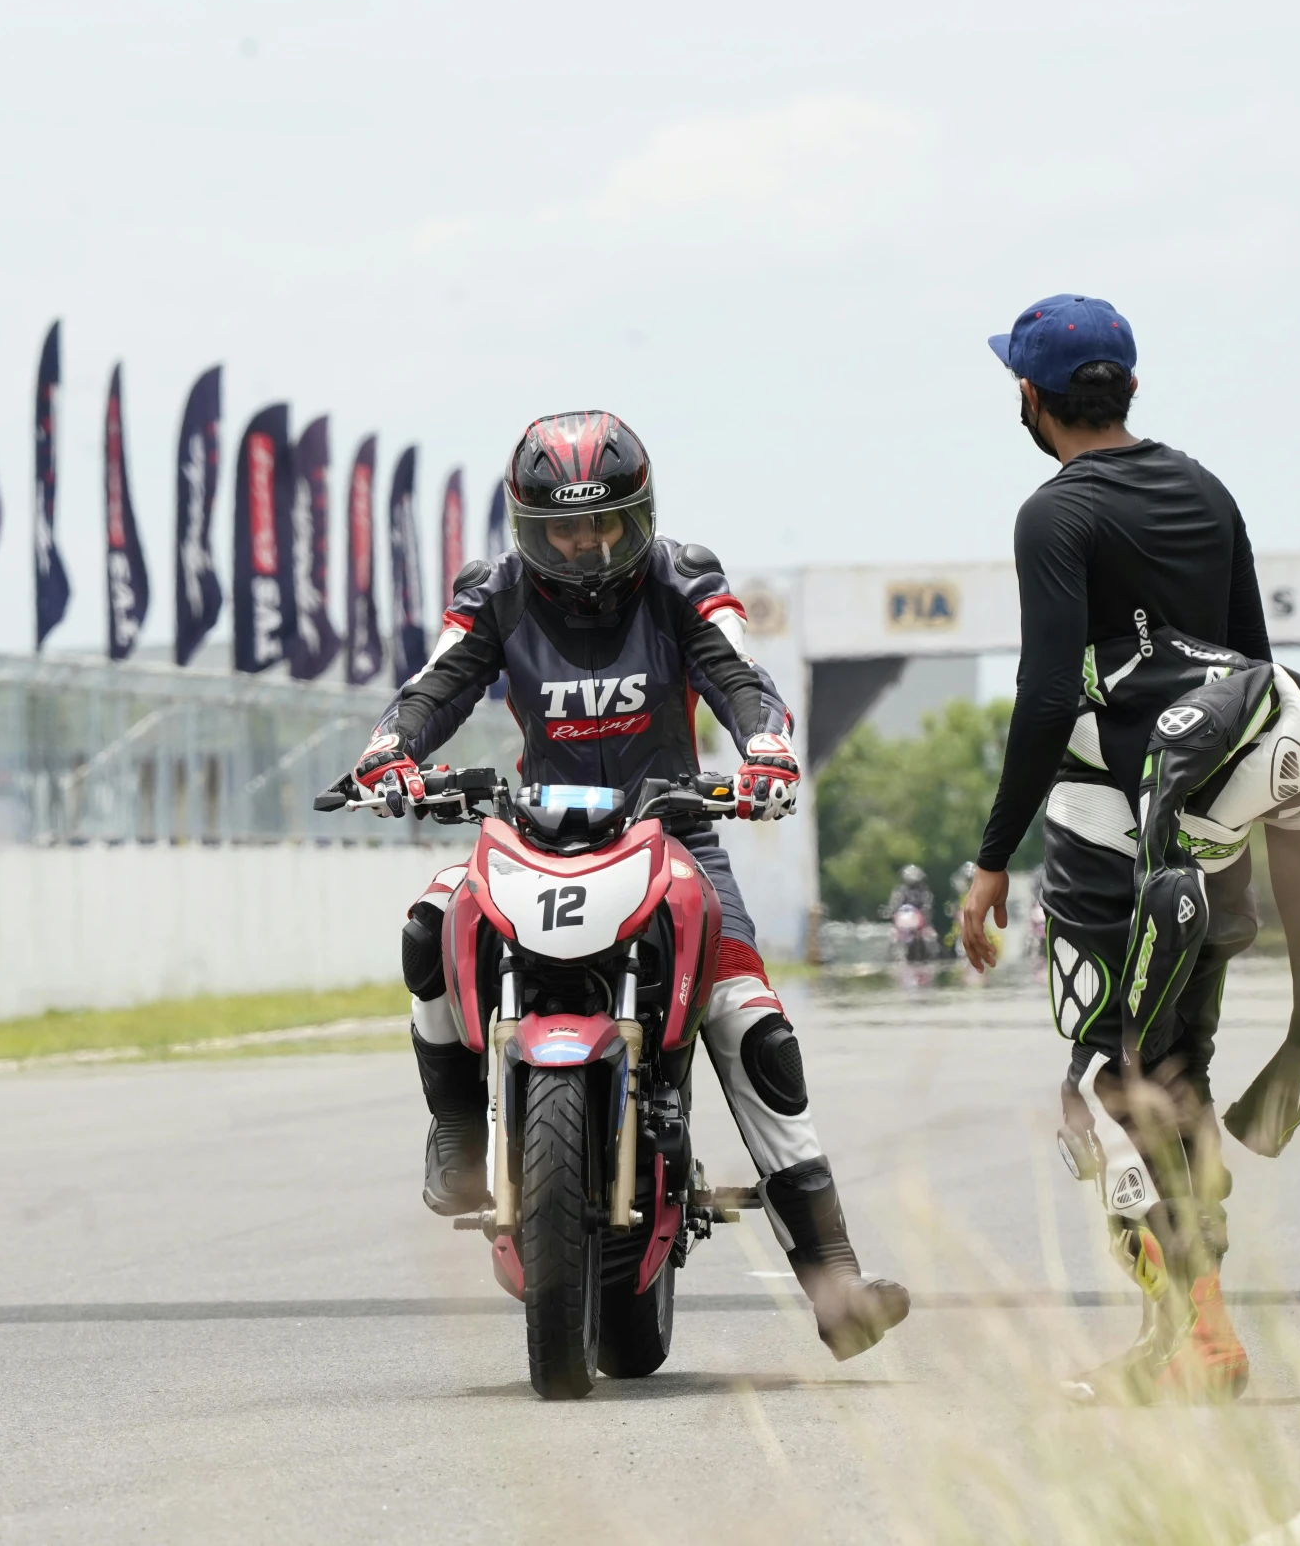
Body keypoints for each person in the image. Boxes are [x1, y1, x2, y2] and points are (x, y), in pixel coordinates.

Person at [348, 409, 909, 1361]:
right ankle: (455, 1127)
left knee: (751, 1025)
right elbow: (436, 686)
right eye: (565, 528)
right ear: (529, 525)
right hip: (535, 837)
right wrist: (391, 747)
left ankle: (835, 1283)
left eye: (606, 523)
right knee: (430, 920)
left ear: (638, 516)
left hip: (676, 834)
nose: (587, 545)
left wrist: (766, 741)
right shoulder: (493, 594)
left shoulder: (683, 576)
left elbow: (740, 674)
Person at [955, 296, 1300, 1404]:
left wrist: (992, 857)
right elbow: (1252, 664)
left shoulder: (1054, 516)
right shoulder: (1205, 490)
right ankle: (1200, 1331)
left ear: (1030, 398)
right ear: (1130, 389)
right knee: (1172, 1076)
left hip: (1110, 840)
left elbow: (1049, 689)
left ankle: (1193, 1333)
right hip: (1213, 831)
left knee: (1115, 1084)